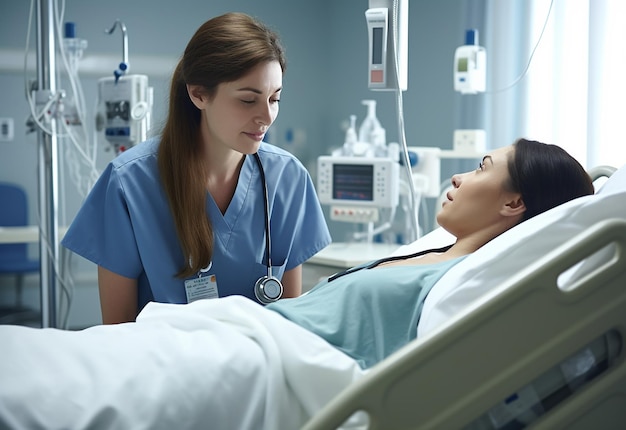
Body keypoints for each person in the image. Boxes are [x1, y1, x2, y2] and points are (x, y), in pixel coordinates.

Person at [61, 12, 331, 324]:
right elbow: (118, 330)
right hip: (164, 366)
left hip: (259, 365)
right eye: (248, 100)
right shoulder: (129, 184)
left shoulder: (288, 179)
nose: (266, 116)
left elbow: (288, 322)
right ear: (198, 93)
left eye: (274, 99)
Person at [266, 138, 595, 368]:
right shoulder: (432, 256)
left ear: (513, 203)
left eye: (481, 168)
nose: (457, 178)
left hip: (276, 357)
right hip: (264, 330)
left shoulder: (461, 283)